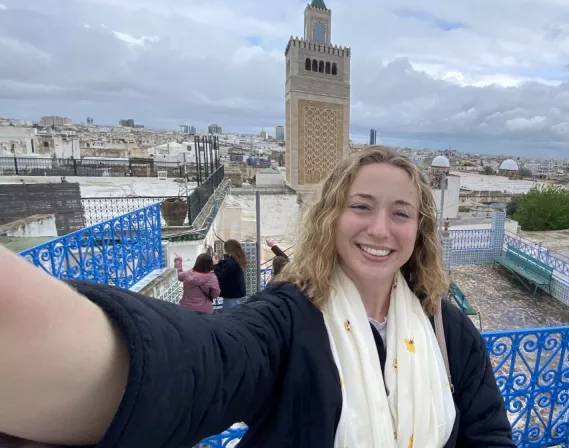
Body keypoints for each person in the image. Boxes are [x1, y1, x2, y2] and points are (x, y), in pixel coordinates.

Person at [0, 146, 513, 447]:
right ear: (331, 217)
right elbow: (206, 363)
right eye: (361, 206)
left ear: (418, 229)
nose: (381, 229)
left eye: (401, 212)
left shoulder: (448, 330)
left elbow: (487, 436)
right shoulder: (288, 319)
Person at [213, 239, 247, 309]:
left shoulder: (231, 262)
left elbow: (221, 275)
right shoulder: (237, 259)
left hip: (231, 294)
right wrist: (219, 263)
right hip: (235, 292)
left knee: (230, 314)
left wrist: (215, 265)